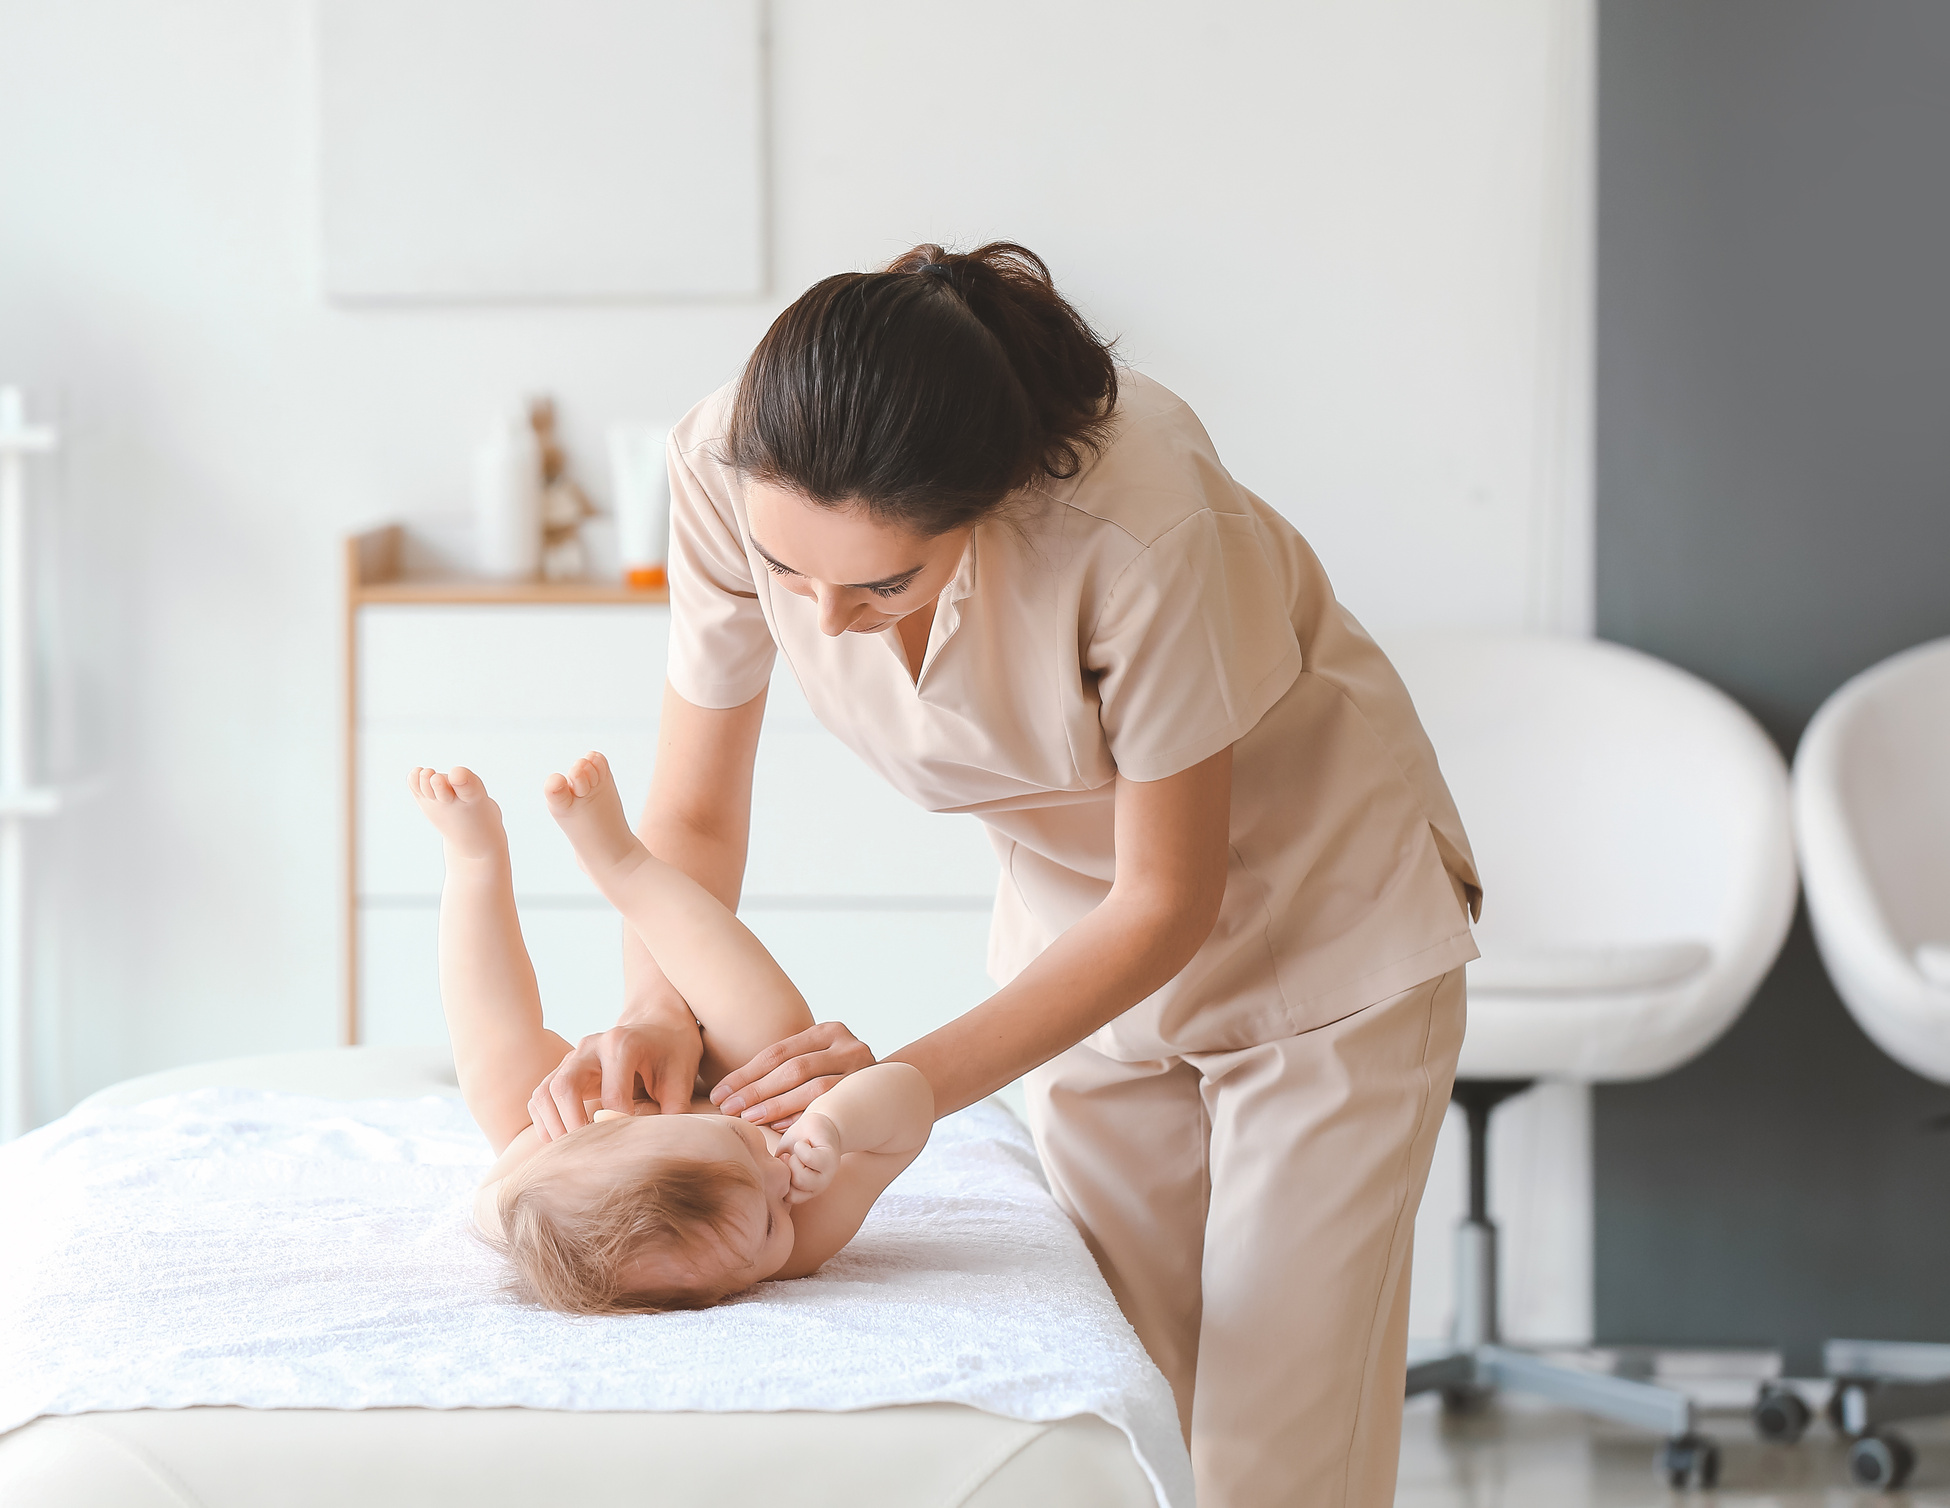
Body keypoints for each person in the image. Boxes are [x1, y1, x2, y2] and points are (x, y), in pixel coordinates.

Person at [530, 243, 1483, 1504]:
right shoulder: (725, 465)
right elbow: (697, 811)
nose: (820, 620)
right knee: (1114, 1401)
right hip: (1074, 935)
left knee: (1273, 1438)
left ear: (986, 508)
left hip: (1318, 917)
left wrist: (912, 1084)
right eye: (787, 574)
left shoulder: (1138, 522)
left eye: (879, 581)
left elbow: (1169, 896)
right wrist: (657, 1005)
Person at [409, 755, 932, 1316]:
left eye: (739, 1144)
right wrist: (835, 1122)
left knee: (502, 1078)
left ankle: (475, 861)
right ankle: (627, 867)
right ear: (718, 1292)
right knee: (774, 1034)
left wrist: (556, 1146)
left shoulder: (523, 1204)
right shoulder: (798, 1239)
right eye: (770, 1226)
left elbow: (508, 1207)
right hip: (739, 1085)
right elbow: (909, 1101)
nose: (781, 1170)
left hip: (573, 1126)